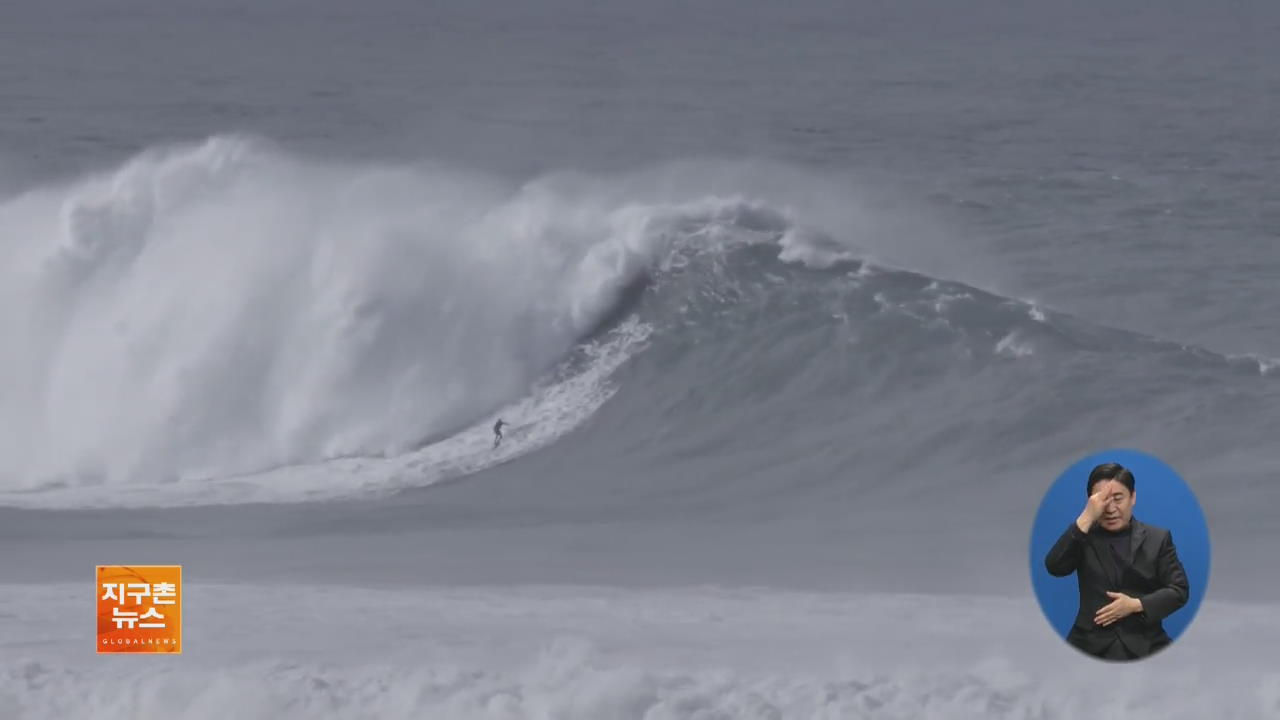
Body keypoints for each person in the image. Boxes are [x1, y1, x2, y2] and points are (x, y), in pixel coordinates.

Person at [1044, 462, 1189, 661]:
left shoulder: (1158, 538)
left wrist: (1136, 605)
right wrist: (1087, 517)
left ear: (1133, 497)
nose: (1111, 508)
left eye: (1118, 498)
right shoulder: (1082, 537)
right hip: (1088, 642)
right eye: (1103, 500)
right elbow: (1054, 566)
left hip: (1145, 641)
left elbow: (1179, 590)